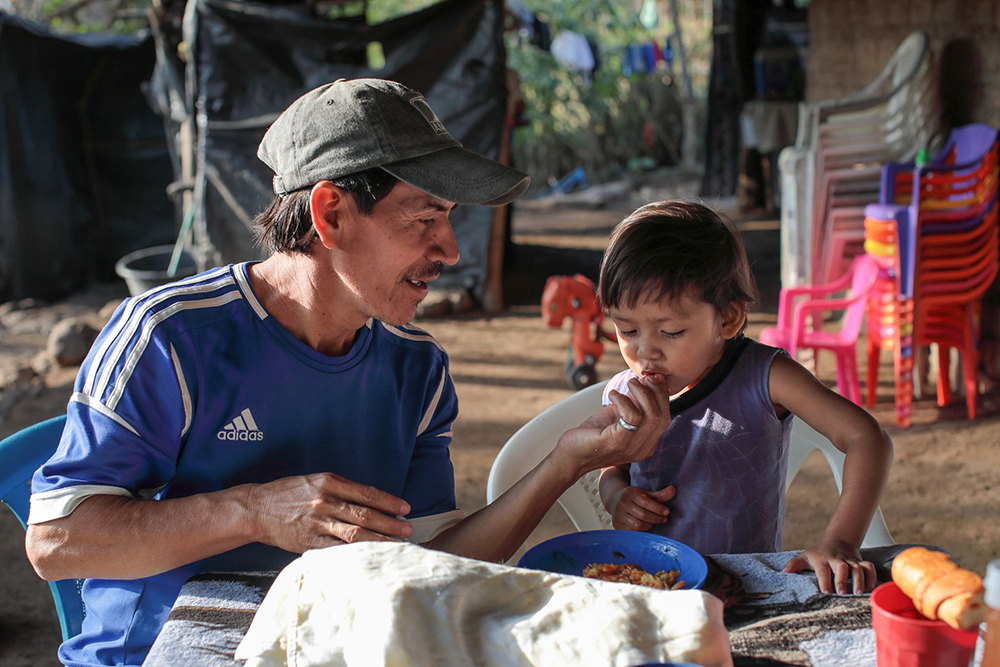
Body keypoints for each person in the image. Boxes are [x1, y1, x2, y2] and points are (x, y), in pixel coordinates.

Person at [24, 79, 672, 667]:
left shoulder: (415, 368)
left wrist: (565, 462)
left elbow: (429, 557)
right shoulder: (169, 338)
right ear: (330, 214)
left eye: (449, 221)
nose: (448, 251)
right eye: (424, 219)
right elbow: (57, 541)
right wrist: (254, 510)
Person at [596, 200, 894, 596]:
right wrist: (618, 495)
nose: (645, 352)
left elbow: (867, 438)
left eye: (669, 332)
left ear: (727, 319)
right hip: (653, 586)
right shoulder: (621, 391)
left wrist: (841, 539)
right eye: (628, 331)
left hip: (746, 588)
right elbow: (612, 469)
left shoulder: (765, 377)